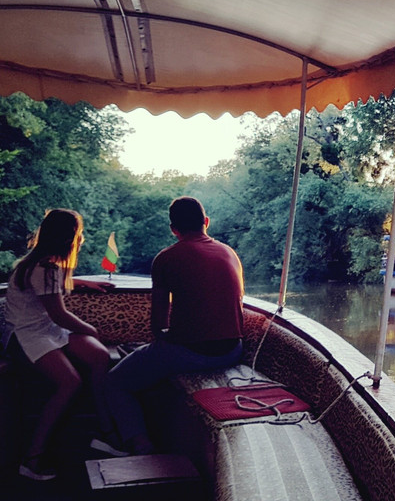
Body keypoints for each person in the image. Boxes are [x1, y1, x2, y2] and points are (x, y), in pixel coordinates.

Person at [106, 196, 244, 454]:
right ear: (206, 222)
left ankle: (140, 444)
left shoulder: (166, 258)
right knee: (153, 361)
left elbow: (158, 323)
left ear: (173, 229)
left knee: (114, 382)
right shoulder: (229, 252)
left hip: (192, 353)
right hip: (233, 350)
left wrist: (158, 343)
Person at [6, 209, 121, 480]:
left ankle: (104, 430)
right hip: (26, 335)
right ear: (68, 237)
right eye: (79, 234)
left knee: (99, 356)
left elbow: (51, 290)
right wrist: (92, 330)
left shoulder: (44, 265)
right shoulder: (45, 268)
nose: (81, 239)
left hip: (46, 329)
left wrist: (83, 283)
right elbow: (59, 314)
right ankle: (32, 458)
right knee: (70, 382)